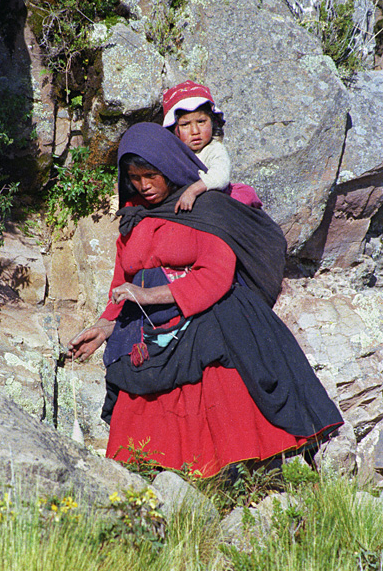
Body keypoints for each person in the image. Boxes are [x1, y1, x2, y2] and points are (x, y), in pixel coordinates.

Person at [67, 122, 343, 478]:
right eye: (134, 177)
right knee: (137, 413)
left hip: (200, 314)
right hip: (146, 329)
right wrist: (104, 326)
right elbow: (122, 282)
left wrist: (149, 296)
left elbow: (217, 274)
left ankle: (233, 479)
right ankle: (152, 482)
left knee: (215, 364)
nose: (143, 186)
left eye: (151, 175)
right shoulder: (134, 219)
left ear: (169, 166)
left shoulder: (205, 208)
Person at [162, 80, 262, 212]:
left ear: (213, 122)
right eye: (185, 124)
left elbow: (220, 176)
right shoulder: (172, 154)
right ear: (174, 129)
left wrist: (193, 190)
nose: (195, 131)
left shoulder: (214, 149)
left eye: (201, 122)